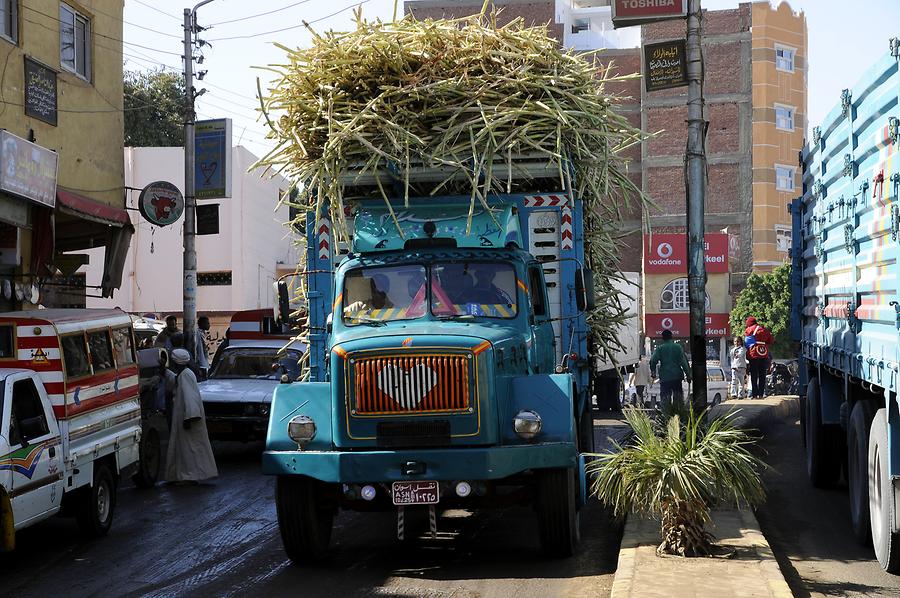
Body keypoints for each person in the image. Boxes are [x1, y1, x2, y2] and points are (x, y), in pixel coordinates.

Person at [164, 349, 218, 484]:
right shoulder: (183, 374)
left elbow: (190, 397)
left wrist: (190, 417)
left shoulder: (186, 375)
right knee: (187, 448)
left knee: (191, 449)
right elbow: (174, 382)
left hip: (189, 418)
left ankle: (191, 476)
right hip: (185, 416)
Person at [649, 329, 692, 410]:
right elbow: (684, 362)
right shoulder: (678, 347)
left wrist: (653, 372)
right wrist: (688, 375)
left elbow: (653, 361)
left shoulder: (660, 348)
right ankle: (678, 416)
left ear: (663, 338)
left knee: (665, 400)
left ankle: (666, 417)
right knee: (678, 399)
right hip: (677, 377)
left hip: (665, 377)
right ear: (671, 337)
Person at [744, 316, 774, 398]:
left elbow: (746, 343)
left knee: (754, 375)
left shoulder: (749, 330)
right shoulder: (764, 329)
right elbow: (771, 340)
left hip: (753, 354)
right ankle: (761, 394)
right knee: (762, 375)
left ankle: (754, 394)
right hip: (763, 354)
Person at [196, 315, 211, 380]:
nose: (209, 325)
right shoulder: (197, 334)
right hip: (201, 364)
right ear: (202, 324)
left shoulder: (202, 334)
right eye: (207, 323)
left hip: (204, 363)